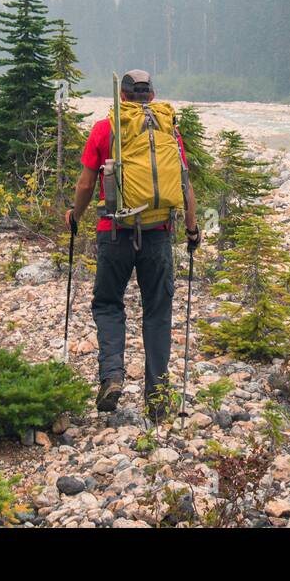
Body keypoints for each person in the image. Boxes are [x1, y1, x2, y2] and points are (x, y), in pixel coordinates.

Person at [66, 69, 200, 419]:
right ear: (151, 96)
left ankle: (112, 376)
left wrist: (75, 217)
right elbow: (185, 185)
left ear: (122, 96)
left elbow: (85, 184)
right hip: (158, 234)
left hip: (114, 232)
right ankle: (156, 399)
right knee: (157, 311)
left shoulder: (105, 127)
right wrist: (192, 230)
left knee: (109, 304)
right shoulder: (168, 129)